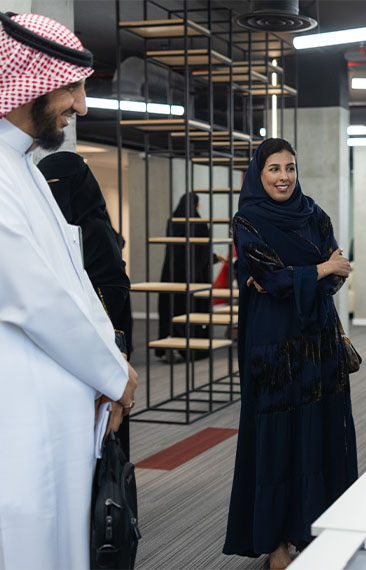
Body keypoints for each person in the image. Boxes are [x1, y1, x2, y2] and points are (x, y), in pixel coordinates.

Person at [0, 12, 137, 569]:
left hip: (63, 405)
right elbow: (37, 300)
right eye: (71, 88)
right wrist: (112, 376)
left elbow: (76, 280)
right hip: (23, 414)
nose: (80, 106)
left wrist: (112, 366)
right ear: (27, 84)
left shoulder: (24, 168)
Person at [223, 138, 358, 569]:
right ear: (258, 175)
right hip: (273, 342)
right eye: (274, 169)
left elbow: (336, 274)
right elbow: (271, 277)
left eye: (290, 168)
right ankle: (278, 540)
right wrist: (318, 269)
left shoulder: (315, 214)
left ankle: (312, 528)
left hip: (318, 340)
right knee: (278, 437)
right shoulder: (248, 220)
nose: (284, 177)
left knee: (319, 431)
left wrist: (298, 276)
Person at [37, 151, 135, 457]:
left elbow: (111, 299)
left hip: (99, 348)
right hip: (60, 350)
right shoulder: (44, 232)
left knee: (100, 442)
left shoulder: (95, 233)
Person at [156, 192, 223, 361]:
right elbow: (201, 253)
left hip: (171, 276)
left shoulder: (173, 221)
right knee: (189, 312)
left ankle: (169, 346)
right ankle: (188, 349)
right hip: (192, 277)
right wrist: (215, 258)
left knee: (171, 310)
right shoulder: (198, 223)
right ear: (196, 205)